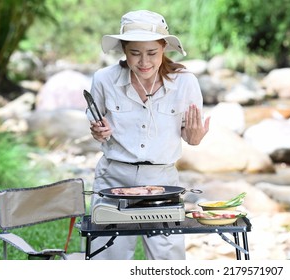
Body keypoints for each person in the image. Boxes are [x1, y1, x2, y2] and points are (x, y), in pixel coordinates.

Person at [86, 10, 210, 260]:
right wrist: (99, 132)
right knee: (106, 260)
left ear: (164, 48)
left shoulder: (185, 82)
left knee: (168, 263)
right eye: (135, 53)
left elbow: (191, 138)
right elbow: (97, 130)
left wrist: (195, 136)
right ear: (123, 49)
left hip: (163, 183)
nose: (144, 62)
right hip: (114, 181)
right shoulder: (103, 79)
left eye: (152, 53)